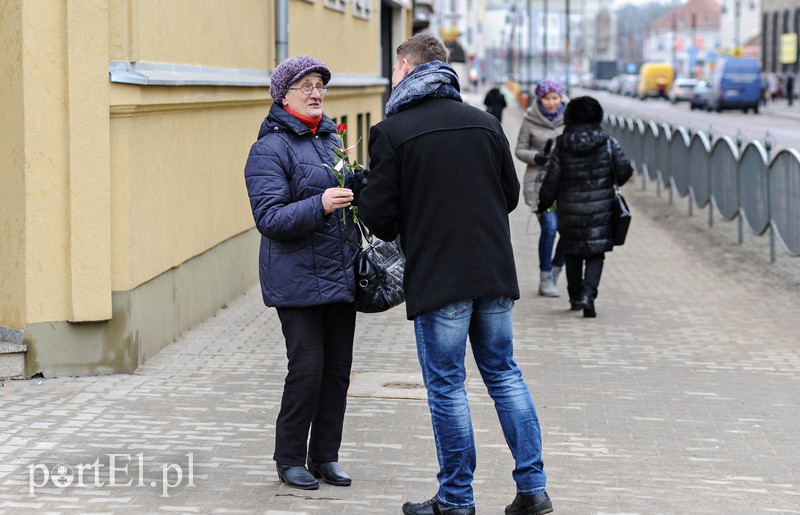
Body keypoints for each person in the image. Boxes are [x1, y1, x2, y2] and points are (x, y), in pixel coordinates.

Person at [359, 33, 552, 515]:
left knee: (447, 386)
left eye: (394, 67)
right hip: (492, 272)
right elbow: (508, 196)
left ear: (405, 67)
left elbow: (379, 218)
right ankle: (533, 489)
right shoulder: (485, 124)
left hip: (440, 278)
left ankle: (456, 499)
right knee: (505, 375)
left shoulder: (393, 131)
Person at [243, 55, 360, 491]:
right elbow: (269, 218)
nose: (316, 94)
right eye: (306, 86)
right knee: (307, 369)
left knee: (337, 372)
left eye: (320, 86)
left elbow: (344, 201)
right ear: (283, 95)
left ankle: (325, 456)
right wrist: (321, 204)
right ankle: (290, 458)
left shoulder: (329, 138)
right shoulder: (268, 148)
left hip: (338, 276)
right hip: (295, 281)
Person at [537, 96, 633, 318]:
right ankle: (588, 295)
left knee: (572, 252)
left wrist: (543, 203)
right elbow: (624, 172)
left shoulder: (562, 144)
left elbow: (551, 180)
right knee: (595, 252)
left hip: (569, 209)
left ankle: (574, 297)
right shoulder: (607, 142)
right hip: (601, 209)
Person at [515, 78, 567, 298]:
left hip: (565, 183)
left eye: (556, 98)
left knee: (568, 231)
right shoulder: (530, 119)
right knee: (550, 228)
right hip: (538, 183)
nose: (552, 103)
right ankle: (545, 276)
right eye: (548, 99)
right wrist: (538, 157)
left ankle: (556, 271)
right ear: (540, 99)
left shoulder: (569, 118)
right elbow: (519, 150)